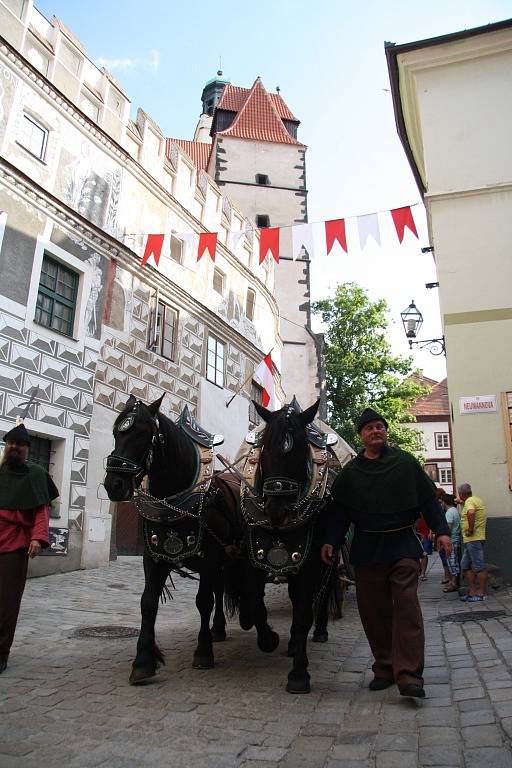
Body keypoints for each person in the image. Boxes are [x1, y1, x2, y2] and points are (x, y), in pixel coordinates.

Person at [321, 407, 451, 699]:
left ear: (385, 431)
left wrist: (442, 531)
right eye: (369, 428)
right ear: (362, 436)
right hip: (367, 550)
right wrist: (331, 540)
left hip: (403, 545)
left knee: (406, 606)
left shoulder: (405, 463)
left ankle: (409, 676)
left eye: (380, 426)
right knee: (373, 612)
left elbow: (429, 501)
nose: (376, 431)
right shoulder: (352, 473)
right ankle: (384, 667)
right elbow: (339, 512)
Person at [0, 423, 59, 673]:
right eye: (11, 443)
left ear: (26, 448)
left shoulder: (36, 474)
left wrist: (37, 538)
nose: (14, 447)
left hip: (15, 545)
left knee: (7, 602)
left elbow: (41, 512)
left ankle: (1, 652)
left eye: (20, 444)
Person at [457, 482, 487, 602]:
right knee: (465, 565)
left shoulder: (469, 502)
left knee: (479, 566)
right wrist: (461, 502)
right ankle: (473, 592)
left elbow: (471, 512)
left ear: (461, 493)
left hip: (473, 539)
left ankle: (481, 593)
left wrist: (470, 529)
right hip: (473, 540)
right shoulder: (475, 500)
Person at [441, 493, 461, 593]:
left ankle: (454, 583)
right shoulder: (455, 511)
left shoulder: (449, 512)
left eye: (441, 502)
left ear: (445, 502)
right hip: (455, 539)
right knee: (453, 561)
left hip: (451, 540)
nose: (441, 504)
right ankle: (453, 582)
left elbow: (447, 528)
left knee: (452, 562)